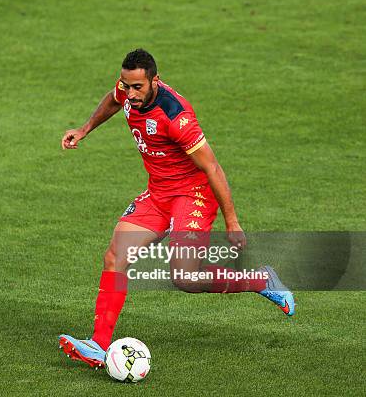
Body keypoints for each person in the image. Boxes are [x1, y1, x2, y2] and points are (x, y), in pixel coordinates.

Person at [58, 49, 294, 368]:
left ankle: (261, 280)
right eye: (126, 86)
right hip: (158, 194)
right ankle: (99, 345)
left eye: (137, 87)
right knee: (115, 256)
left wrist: (233, 221)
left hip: (193, 195)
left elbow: (213, 169)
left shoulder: (175, 116)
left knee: (184, 277)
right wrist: (85, 129)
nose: (130, 94)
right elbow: (113, 100)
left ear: (155, 81)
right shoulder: (127, 91)